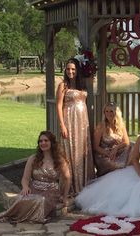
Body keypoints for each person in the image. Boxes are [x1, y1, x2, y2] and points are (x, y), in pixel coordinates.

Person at [0, 131, 71, 224]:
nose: (43, 143)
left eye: (46, 140)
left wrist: (64, 196)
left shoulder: (59, 160)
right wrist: (25, 187)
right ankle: (14, 216)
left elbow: (67, 178)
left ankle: (30, 217)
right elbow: (25, 178)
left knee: (40, 200)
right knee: (21, 199)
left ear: (52, 143)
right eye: (40, 141)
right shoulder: (33, 158)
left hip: (51, 191)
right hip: (34, 187)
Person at [56, 58, 94, 194]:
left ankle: (85, 182)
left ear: (77, 70)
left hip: (82, 123)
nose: (70, 71)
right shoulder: (63, 85)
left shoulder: (82, 85)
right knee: (70, 150)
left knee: (82, 149)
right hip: (70, 121)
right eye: (68, 69)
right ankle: (72, 185)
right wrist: (62, 125)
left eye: (73, 69)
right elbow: (59, 105)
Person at [93, 102, 132, 177]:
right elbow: (95, 147)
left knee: (132, 147)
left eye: (111, 111)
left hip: (117, 152)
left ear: (116, 112)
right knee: (120, 165)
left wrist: (116, 149)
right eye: (106, 111)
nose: (108, 113)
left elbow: (126, 142)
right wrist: (108, 153)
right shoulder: (101, 126)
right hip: (104, 155)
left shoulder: (121, 125)